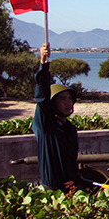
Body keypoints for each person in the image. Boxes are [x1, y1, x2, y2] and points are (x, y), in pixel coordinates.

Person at [33, 43, 85, 192]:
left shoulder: (70, 129)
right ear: (53, 105)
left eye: (69, 98)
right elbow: (42, 98)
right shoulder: (46, 128)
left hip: (70, 188)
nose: (68, 103)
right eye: (62, 99)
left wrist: (76, 175)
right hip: (53, 191)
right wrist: (43, 64)